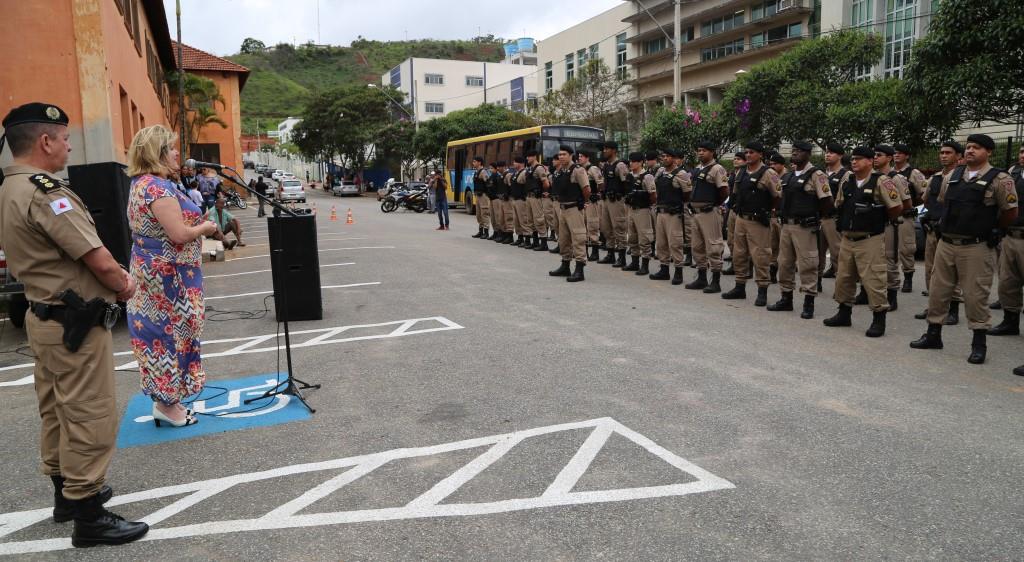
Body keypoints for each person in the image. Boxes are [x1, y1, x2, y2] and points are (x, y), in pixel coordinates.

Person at [0, 102, 149, 546]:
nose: (68, 145)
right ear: (45, 141)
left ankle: (65, 495)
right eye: (65, 138)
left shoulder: (10, 188)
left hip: (43, 317)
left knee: (57, 410)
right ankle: (89, 515)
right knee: (89, 412)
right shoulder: (46, 191)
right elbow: (97, 258)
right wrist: (124, 284)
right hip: (76, 324)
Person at [126, 124, 217, 431]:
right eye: (171, 148)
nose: (178, 153)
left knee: (163, 335)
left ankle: (169, 401)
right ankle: (167, 404)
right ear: (157, 153)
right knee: (171, 335)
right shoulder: (157, 188)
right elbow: (178, 234)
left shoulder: (145, 184)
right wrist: (204, 228)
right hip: (168, 279)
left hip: (159, 273)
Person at [910, 134, 1019, 364]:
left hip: (976, 246)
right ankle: (933, 335)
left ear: (988, 152)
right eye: (968, 147)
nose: (970, 151)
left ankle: (979, 344)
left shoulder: (1000, 178)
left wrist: (993, 229)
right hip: (947, 243)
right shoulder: (954, 175)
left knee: (975, 295)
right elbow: (942, 202)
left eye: (976, 148)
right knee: (938, 291)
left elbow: (1010, 212)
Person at [824, 146, 904, 337]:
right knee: (844, 277)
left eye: (859, 159)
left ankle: (879, 319)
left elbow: (896, 206)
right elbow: (839, 204)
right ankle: (844, 314)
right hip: (847, 237)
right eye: (852, 159)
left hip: (870, 238)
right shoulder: (848, 180)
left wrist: (878, 218)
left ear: (869, 161)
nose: (854, 162)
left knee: (874, 279)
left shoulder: (881, 181)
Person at [768, 141, 833, 319]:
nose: (795, 153)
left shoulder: (816, 174)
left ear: (808, 154)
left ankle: (808, 303)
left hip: (805, 226)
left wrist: (816, 218)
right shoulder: (788, 176)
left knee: (807, 264)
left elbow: (826, 201)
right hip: (787, 225)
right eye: (793, 150)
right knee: (785, 263)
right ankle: (786, 299)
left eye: (799, 151)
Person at [722, 142, 781, 306]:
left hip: (757, 221)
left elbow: (778, 196)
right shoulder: (741, 172)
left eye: (752, 152)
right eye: (746, 152)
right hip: (741, 218)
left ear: (760, 154)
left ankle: (762, 290)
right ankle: (739, 287)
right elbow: (735, 194)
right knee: (739, 254)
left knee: (761, 256)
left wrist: (767, 210)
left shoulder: (769, 173)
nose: (748, 155)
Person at [915, 140, 963, 324]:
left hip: (950, 232)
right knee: (930, 270)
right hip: (933, 229)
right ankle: (933, 306)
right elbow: (925, 199)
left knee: (951, 272)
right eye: (942, 152)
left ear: (958, 156)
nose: (943, 155)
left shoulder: (961, 177)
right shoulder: (935, 177)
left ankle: (953, 309)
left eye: (948, 152)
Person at [686, 141, 729, 293]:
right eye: (699, 150)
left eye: (704, 150)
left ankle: (716, 281)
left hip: (709, 212)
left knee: (714, 246)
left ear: (712, 152)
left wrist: (714, 204)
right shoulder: (698, 169)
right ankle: (701, 277)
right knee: (697, 247)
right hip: (696, 214)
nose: (700, 153)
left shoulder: (717, 169)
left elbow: (724, 191)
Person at [874, 144, 912, 311]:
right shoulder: (872, 176)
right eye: (874, 155)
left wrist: (890, 216)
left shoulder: (896, 178)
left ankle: (892, 295)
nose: (875, 157)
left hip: (889, 224)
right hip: (873, 225)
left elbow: (907, 203)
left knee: (890, 260)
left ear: (888, 158)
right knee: (873, 260)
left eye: (879, 155)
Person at [988, 161, 1024, 337]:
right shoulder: (1013, 174)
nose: (1023, 155)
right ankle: (1010, 322)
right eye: (1022, 151)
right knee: (1008, 281)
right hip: (1011, 235)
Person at [549, 146, 591, 282]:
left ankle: (579, 270)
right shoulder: (561, 171)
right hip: (563, 208)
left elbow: (586, 189)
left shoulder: (578, 170)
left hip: (574, 209)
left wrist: (583, 202)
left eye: (564, 154)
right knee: (564, 239)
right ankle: (565, 265)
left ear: (571, 155)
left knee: (578, 239)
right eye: (559, 154)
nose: (561, 157)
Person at [650, 149, 690, 284]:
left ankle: (678, 272)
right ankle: (664, 270)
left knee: (675, 243)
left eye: (668, 156)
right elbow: (655, 187)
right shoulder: (661, 172)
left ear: (674, 158)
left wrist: (677, 205)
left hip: (673, 213)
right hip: (661, 212)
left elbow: (687, 194)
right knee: (661, 243)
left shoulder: (681, 174)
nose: (665, 158)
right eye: (663, 156)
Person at [893, 144, 928, 293]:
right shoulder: (889, 173)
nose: (896, 155)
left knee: (906, 249)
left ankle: (908, 278)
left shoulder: (913, 173)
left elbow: (924, 193)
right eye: (895, 153)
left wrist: (912, 205)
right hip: (889, 216)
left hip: (905, 215)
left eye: (900, 153)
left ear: (907, 156)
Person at [623, 152, 657, 275]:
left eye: (634, 161)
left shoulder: (647, 176)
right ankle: (634, 262)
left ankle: (645, 265)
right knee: (632, 237)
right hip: (631, 209)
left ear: (641, 162)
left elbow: (653, 196)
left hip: (642, 209)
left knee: (644, 238)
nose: (631, 163)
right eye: (630, 161)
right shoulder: (629, 176)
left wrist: (645, 203)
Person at [598, 141, 630, 267]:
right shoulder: (606, 165)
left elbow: (626, 184)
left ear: (614, 150)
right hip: (606, 200)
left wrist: (623, 197)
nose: (604, 151)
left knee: (619, 228)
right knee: (606, 228)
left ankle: (622, 257)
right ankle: (610, 254)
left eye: (607, 149)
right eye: (604, 148)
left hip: (617, 201)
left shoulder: (620, 165)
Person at [820, 143, 850, 279]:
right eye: (826, 152)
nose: (827, 155)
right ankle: (816, 283)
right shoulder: (820, 173)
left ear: (840, 156)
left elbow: (843, 199)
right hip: (817, 217)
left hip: (833, 218)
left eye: (831, 153)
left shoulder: (846, 174)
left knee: (837, 253)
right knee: (815, 253)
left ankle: (842, 285)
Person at [723, 150, 747, 276]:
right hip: (731, 208)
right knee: (731, 238)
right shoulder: (733, 174)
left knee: (740, 241)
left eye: (738, 159)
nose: (735, 160)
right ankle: (734, 262)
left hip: (740, 210)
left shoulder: (746, 173)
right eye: (735, 158)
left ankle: (743, 266)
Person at [578, 150, 604, 262]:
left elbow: (601, 183)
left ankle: (595, 252)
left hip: (592, 202)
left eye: (581, 156)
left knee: (592, 226)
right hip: (583, 202)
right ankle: (585, 251)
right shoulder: (579, 170)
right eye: (578, 156)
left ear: (587, 158)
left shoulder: (593, 169)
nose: (579, 158)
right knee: (583, 227)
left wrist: (597, 194)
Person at [522, 150, 551, 251]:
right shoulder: (529, 169)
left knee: (539, 220)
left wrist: (543, 192)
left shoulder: (539, 168)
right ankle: (535, 242)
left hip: (536, 197)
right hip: (529, 197)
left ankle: (544, 243)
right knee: (530, 220)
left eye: (529, 156)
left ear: (534, 157)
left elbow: (546, 183)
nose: (527, 158)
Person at [767, 152, 788, 284]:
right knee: (772, 246)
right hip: (772, 216)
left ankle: (786, 276)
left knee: (785, 248)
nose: (772, 166)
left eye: (775, 164)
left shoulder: (788, 177)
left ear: (782, 165)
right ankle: (772, 272)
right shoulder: (770, 176)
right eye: (771, 164)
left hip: (783, 217)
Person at [509, 156, 533, 246]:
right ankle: (520, 238)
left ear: (520, 163)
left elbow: (527, 186)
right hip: (515, 199)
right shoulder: (516, 173)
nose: (513, 164)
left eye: (515, 162)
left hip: (521, 200)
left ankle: (527, 240)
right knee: (516, 220)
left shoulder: (524, 173)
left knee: (523, 219)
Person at [470, 156, 490, 239]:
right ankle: (480, 231)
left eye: (474, 161)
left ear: (479, 162)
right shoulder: (476, 172)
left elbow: (488, 183)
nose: (473, 163)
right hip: (478, 195)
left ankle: (486, 232)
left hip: (483, 196)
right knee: (478, 214)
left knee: (484, 213)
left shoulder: (483, 172)